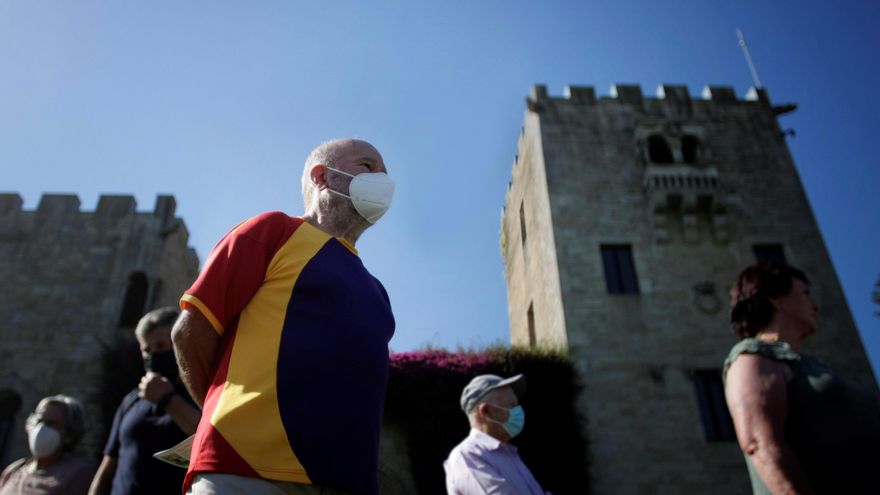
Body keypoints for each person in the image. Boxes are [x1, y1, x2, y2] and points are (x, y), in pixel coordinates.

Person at [171, 138, 396, 495]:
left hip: (346, 483)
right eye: (368, 167)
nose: (383, 182)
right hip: (244, 471)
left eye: (386, 174)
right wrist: (223, 424)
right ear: (322, 176)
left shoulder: (377, 292)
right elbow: (191, 332)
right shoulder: (273, 231)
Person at [723, 262, 880, 494]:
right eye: (805, 293)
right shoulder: (753, 355)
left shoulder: (810, 365)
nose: (814, 304)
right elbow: (758, 442)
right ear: (776, 298)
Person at [88, 307, 200, 495]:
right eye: (146, 350)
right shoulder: (132, 400)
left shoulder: (197, 394)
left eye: (160, 346)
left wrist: (167, 399)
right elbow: (108, 467)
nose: (153, 356)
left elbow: (206, 438)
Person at [444, 374, 546, 495]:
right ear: (485, 411)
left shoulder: (506, 453)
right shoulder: (467, 456)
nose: (518, 411)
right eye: (511, 406)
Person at [0, 395, 92, 495]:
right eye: (39, 421)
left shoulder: (77, 473)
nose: (41, 428)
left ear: (68, 434)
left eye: (51, 423)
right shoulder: (14, 470)